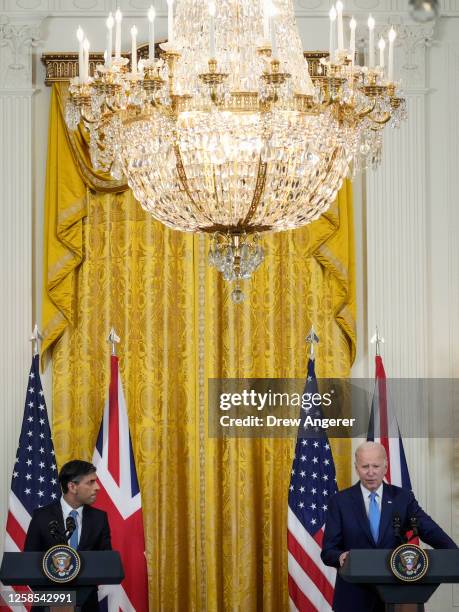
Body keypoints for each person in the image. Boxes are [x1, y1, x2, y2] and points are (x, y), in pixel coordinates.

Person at [321, 441, 457, 612]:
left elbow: (429, 529)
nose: (371, 472)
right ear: (357, 468)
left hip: (399, 594)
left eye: (376, 466)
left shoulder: (403, 498)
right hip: (354, 597)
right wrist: (341, 556)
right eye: (365, 466)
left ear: (385, 467)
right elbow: (328, 551)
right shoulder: (339, 501)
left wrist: (454, 554)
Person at [24, 459, 111, 611]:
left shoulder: (99, 518)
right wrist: (56, 599)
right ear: (72, 486)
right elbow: (29, 562)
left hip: (86, 604)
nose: (97, 488)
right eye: (90, 482)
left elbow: (105, 561)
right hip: (48, 605)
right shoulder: (42, 516)